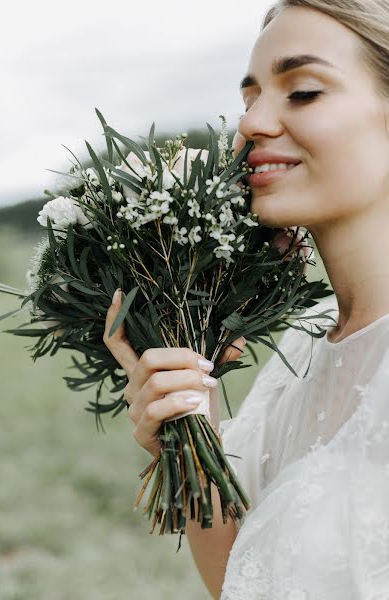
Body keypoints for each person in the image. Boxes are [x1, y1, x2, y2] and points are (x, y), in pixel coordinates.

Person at [103, 1, 389, 597]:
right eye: (249, 98)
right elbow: (243, 584)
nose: (253, 122)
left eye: (304, 91)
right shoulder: (308, 340)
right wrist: (190, 429)